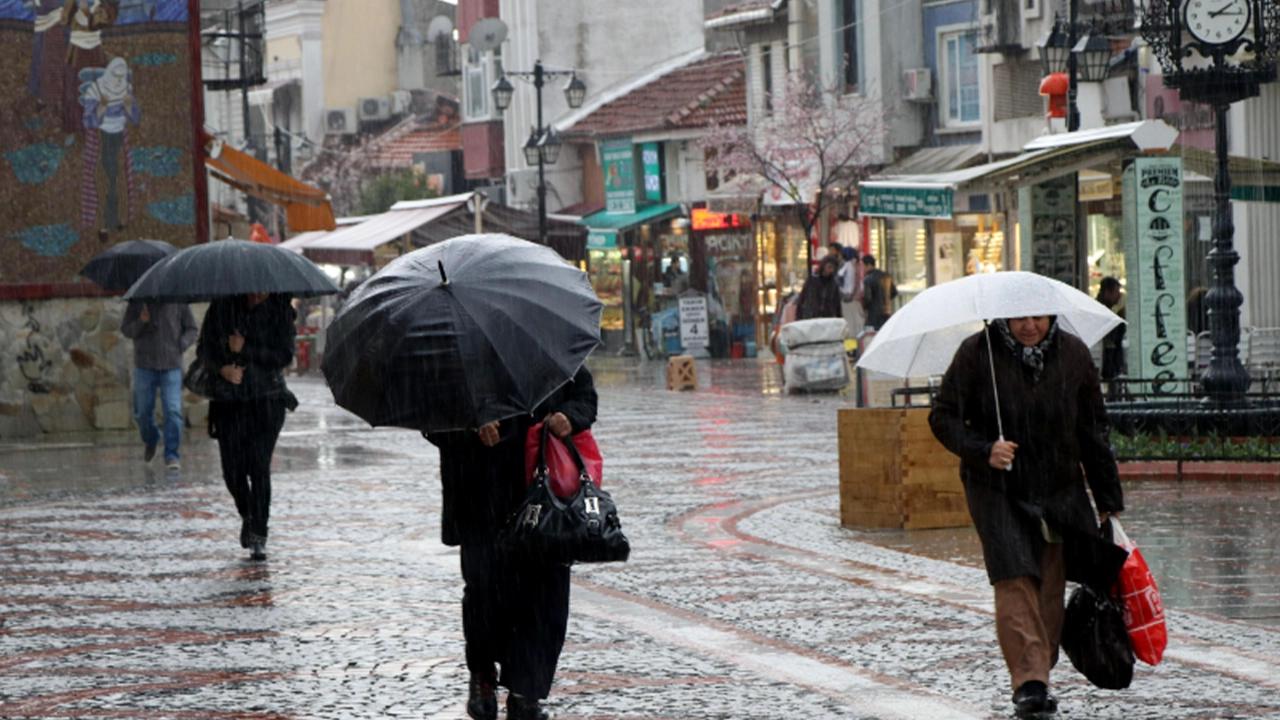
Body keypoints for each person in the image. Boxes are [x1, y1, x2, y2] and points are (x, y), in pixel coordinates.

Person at [928, 316, 1127, 719]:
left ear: (1052, 316)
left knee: (1050, 581)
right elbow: (943, 417)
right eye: (1020, 318)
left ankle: (1039, 665)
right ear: (1004, 317)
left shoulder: (1073, 354)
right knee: (1013, 575)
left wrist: (1108, 498)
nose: (1030, 326)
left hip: (1057, 486)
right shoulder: (976, 352)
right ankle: (1030, 683)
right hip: (996, 488)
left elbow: (1092, 430)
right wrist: (984, 448)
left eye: (1038, 317)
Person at [427, 366, 597, 720]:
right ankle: (482, 677)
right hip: (480, 497)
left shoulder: (546, 344)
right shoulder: (455, 353)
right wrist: (471, 425)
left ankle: (526, 692)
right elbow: (431, 416)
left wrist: (569, 416)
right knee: (485, 591)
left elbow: (585, 397)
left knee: (546, 594)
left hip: (542, 494)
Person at [195, 293, 296, 561]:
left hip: (267, 399)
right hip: (230, 402)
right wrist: (222, 368)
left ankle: (259, 534)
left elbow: (284, 356)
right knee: (233, 471)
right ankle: (248, 514)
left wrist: (246, 349)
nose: (258, 293)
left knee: (259, 466)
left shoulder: (279, 310)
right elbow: (204, 350)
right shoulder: (221, 307)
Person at [120, 300, 198, 470]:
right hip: (144, 365)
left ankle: (171, 454)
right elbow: (126, 329)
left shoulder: (177, 300)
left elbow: (192, 329)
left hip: (171, 365)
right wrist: (141, 321)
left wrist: (181, 344)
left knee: (173, 410)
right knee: (142, 412)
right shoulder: (137, 301)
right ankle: (151, 439)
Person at [1096, 277, 1127, 386]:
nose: (1119, 296)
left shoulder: (1117, 309)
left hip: (1115, 357)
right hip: (1105, 357)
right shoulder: (1100, 309)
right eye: (1116, 292)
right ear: (1107, 292)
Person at [795, 255, 843, 320]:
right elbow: (802, 298)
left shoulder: (834, 284)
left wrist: (839, 318)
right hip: (811, 316)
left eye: (833, 268)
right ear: (824, 265)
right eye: (829, 267)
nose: (831, 270)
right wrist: (799, 316)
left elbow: (837, 303)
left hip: (827, 317)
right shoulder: (812, 280)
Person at [860, 254, 898, 330]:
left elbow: (867, 298)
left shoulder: (868, 279)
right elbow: (894, 292)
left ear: (868, 265)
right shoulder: (886, 276)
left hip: (873, 314)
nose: (863, 269)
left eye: (863, 266)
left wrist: (864, 307)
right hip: (886, 312)